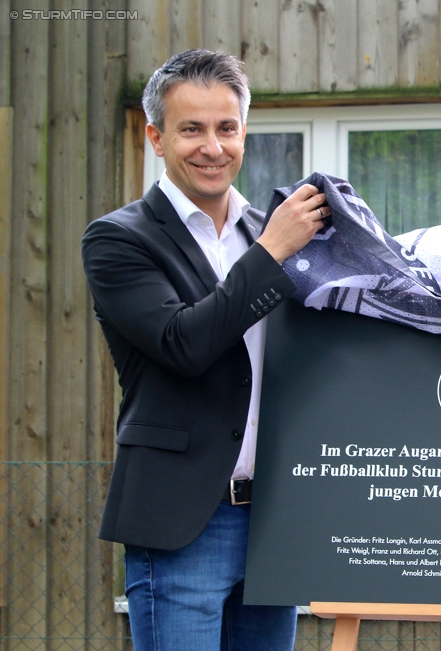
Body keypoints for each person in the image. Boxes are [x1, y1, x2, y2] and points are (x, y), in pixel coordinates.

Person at [82, 49, 329, 650]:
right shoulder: (118, 239)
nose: (212, 147)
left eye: (226, 128)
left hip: (274, 517)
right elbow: (183, 343)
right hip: (183, 523)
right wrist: (272, 254)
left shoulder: (266, 230)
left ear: (244, 132)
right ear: (156, 138)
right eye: (190, 129)